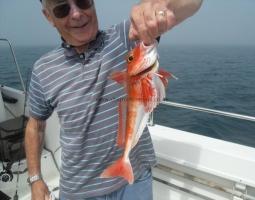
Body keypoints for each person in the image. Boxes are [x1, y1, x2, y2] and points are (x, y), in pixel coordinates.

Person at [25, 0, 203, 199]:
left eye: (82, 1)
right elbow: (35, 126)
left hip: (134, 180)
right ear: (49, 17)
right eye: (62, 8)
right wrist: (35, 179)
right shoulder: (43, 70)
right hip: (79, 191)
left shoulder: (124, 37)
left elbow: (191, 4)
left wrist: (158, 6)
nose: (76, 14)